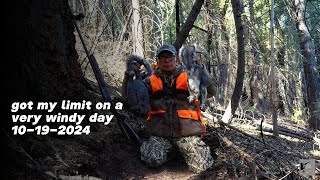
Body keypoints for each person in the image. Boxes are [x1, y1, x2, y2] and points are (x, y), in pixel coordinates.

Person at [135, 44, 214, 173]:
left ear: (176, 59)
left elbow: (212, 92)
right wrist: (130, 77)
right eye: (163, 57)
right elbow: (129, 100)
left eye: (170, 57)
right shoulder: (149, 81)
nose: (166, 60)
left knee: (202, 166)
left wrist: (200, 68)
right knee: (151, 159)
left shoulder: (190, 75)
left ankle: (182, 152)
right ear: (157, 61)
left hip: (187, 135)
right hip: (161, 136)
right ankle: (170, 152)